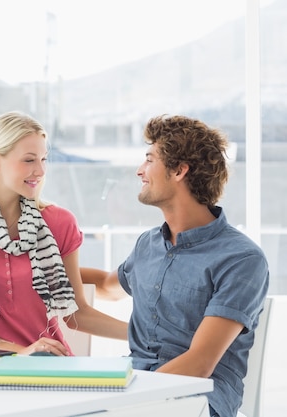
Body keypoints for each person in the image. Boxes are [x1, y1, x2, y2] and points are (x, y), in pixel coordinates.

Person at [81, 114, 269, 417]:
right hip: (137, 384)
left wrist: (124, 398)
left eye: (149, 160)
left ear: (180, 170)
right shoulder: (148, 245)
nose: (139, 171)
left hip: (197, 397)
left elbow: (199, 364)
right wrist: (38, 265)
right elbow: (105, 285)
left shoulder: (241, 259)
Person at [0, 111, 128, 356]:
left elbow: (78, 314)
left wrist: (146, 336)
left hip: (49, 365)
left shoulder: (59, 223)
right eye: (29, 160)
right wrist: (22, 353)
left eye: (44, 159)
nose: (41, 170)